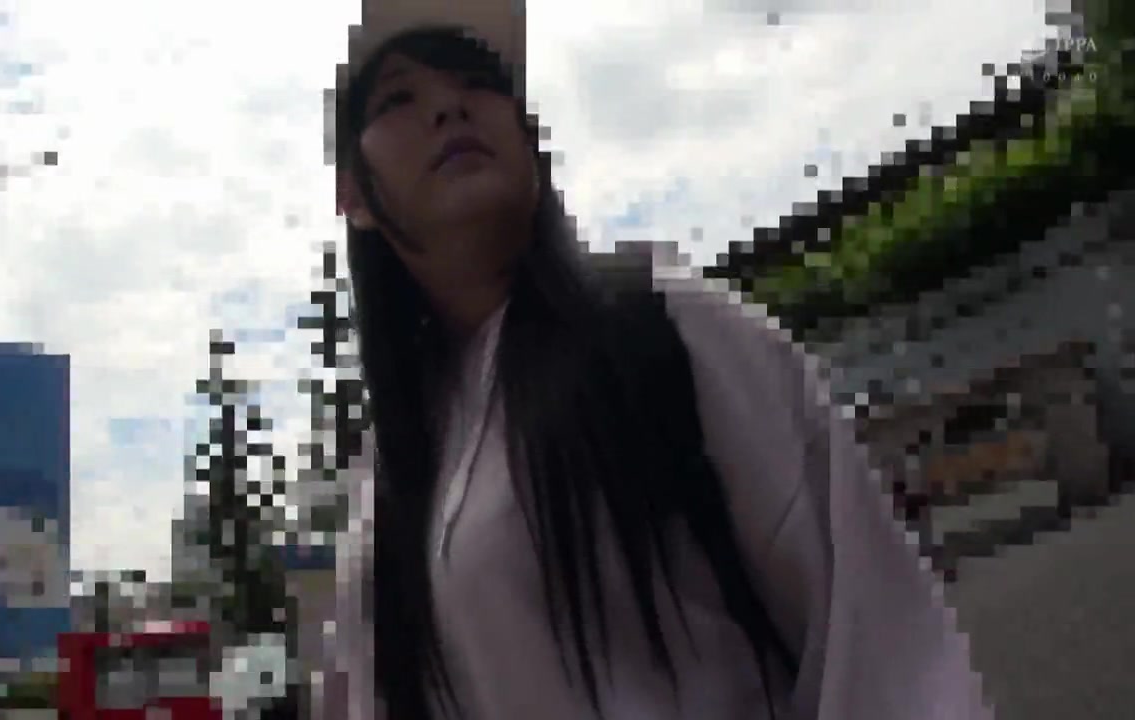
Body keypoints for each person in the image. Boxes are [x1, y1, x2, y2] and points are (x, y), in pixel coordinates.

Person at [320, 19, 993, 720]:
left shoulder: (660, 323)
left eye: (478, 83)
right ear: (353, 196)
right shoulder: (386, 495)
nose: (449, 107)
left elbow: (873, 626)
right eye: (398, 99)